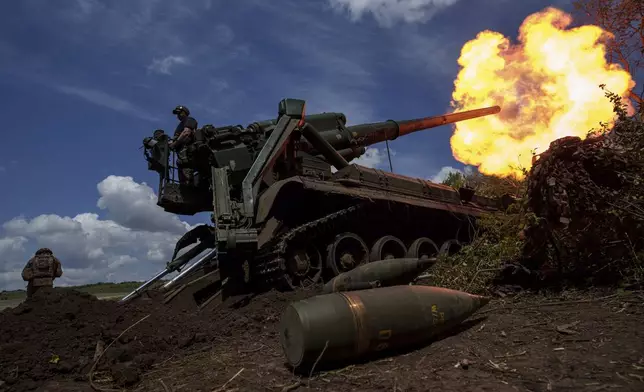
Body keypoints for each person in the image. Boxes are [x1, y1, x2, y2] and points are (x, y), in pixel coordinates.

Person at [169, 105, 198, 185]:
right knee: (183, 179)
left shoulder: (189, 120)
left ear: (185, 113)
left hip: (187, 153)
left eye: (179, 113)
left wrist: (175, 144)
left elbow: (186, 132)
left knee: (187, 177)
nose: (178, 115)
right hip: (181, 155)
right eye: (177, 114)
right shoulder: (180, 124)